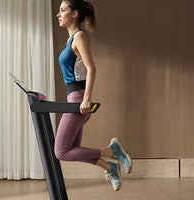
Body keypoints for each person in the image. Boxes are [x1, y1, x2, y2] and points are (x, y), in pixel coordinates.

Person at [55, 0, 132, 191]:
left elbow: (91, 69)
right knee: (74, 150)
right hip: (74, 100)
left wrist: (87, 98)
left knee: (61, 152)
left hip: (78, 102)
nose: (58, 14)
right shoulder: (71, 38)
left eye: (63, 10)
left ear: (74, 14)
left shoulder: (79, 37)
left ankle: (112, 151)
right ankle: (110, 167)